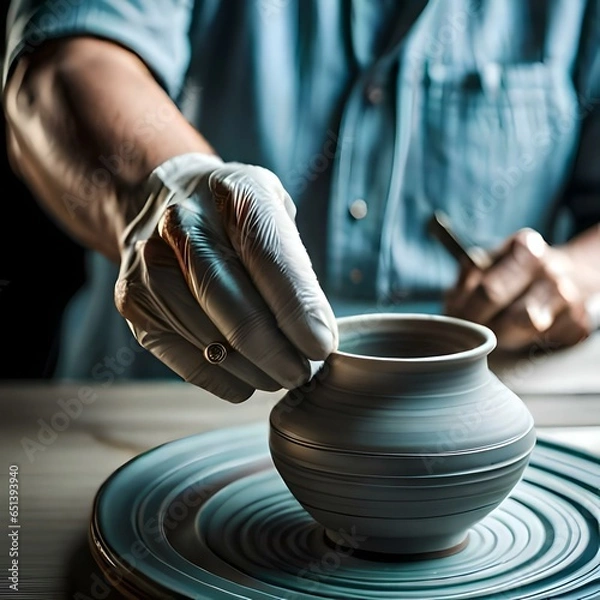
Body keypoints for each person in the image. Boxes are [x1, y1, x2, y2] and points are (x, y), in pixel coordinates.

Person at [3, 0, 600, 403]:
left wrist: (576, 275)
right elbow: (62, 65)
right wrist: (169, 188)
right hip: (160, 399)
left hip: (483, 413)